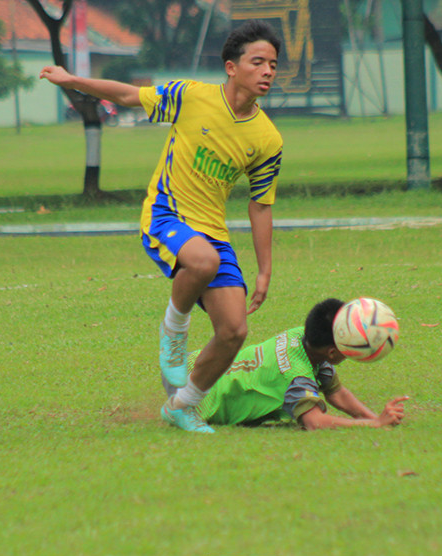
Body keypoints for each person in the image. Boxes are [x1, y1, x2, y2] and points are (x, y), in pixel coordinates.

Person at [39, 20, 284, 434]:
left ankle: (182, 405)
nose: (267, 71)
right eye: (257, 62)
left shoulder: (268, 138)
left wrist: (263, 270)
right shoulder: (190, 96)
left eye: (273, 65)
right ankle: (174, 331)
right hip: (166, 216)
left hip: (213, 233)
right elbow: (127, 95)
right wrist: (72, 79)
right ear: (231, 66)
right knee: (202, 261)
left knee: (234, 330)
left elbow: (260, 206)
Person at [181, 298, 409, 431]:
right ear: (332, 352)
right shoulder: (296, 375)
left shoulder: (302, 338)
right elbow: (314, 422)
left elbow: (336, 393)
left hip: (195, 363)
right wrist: (376, 424)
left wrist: (376, 417)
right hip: (200, 402)